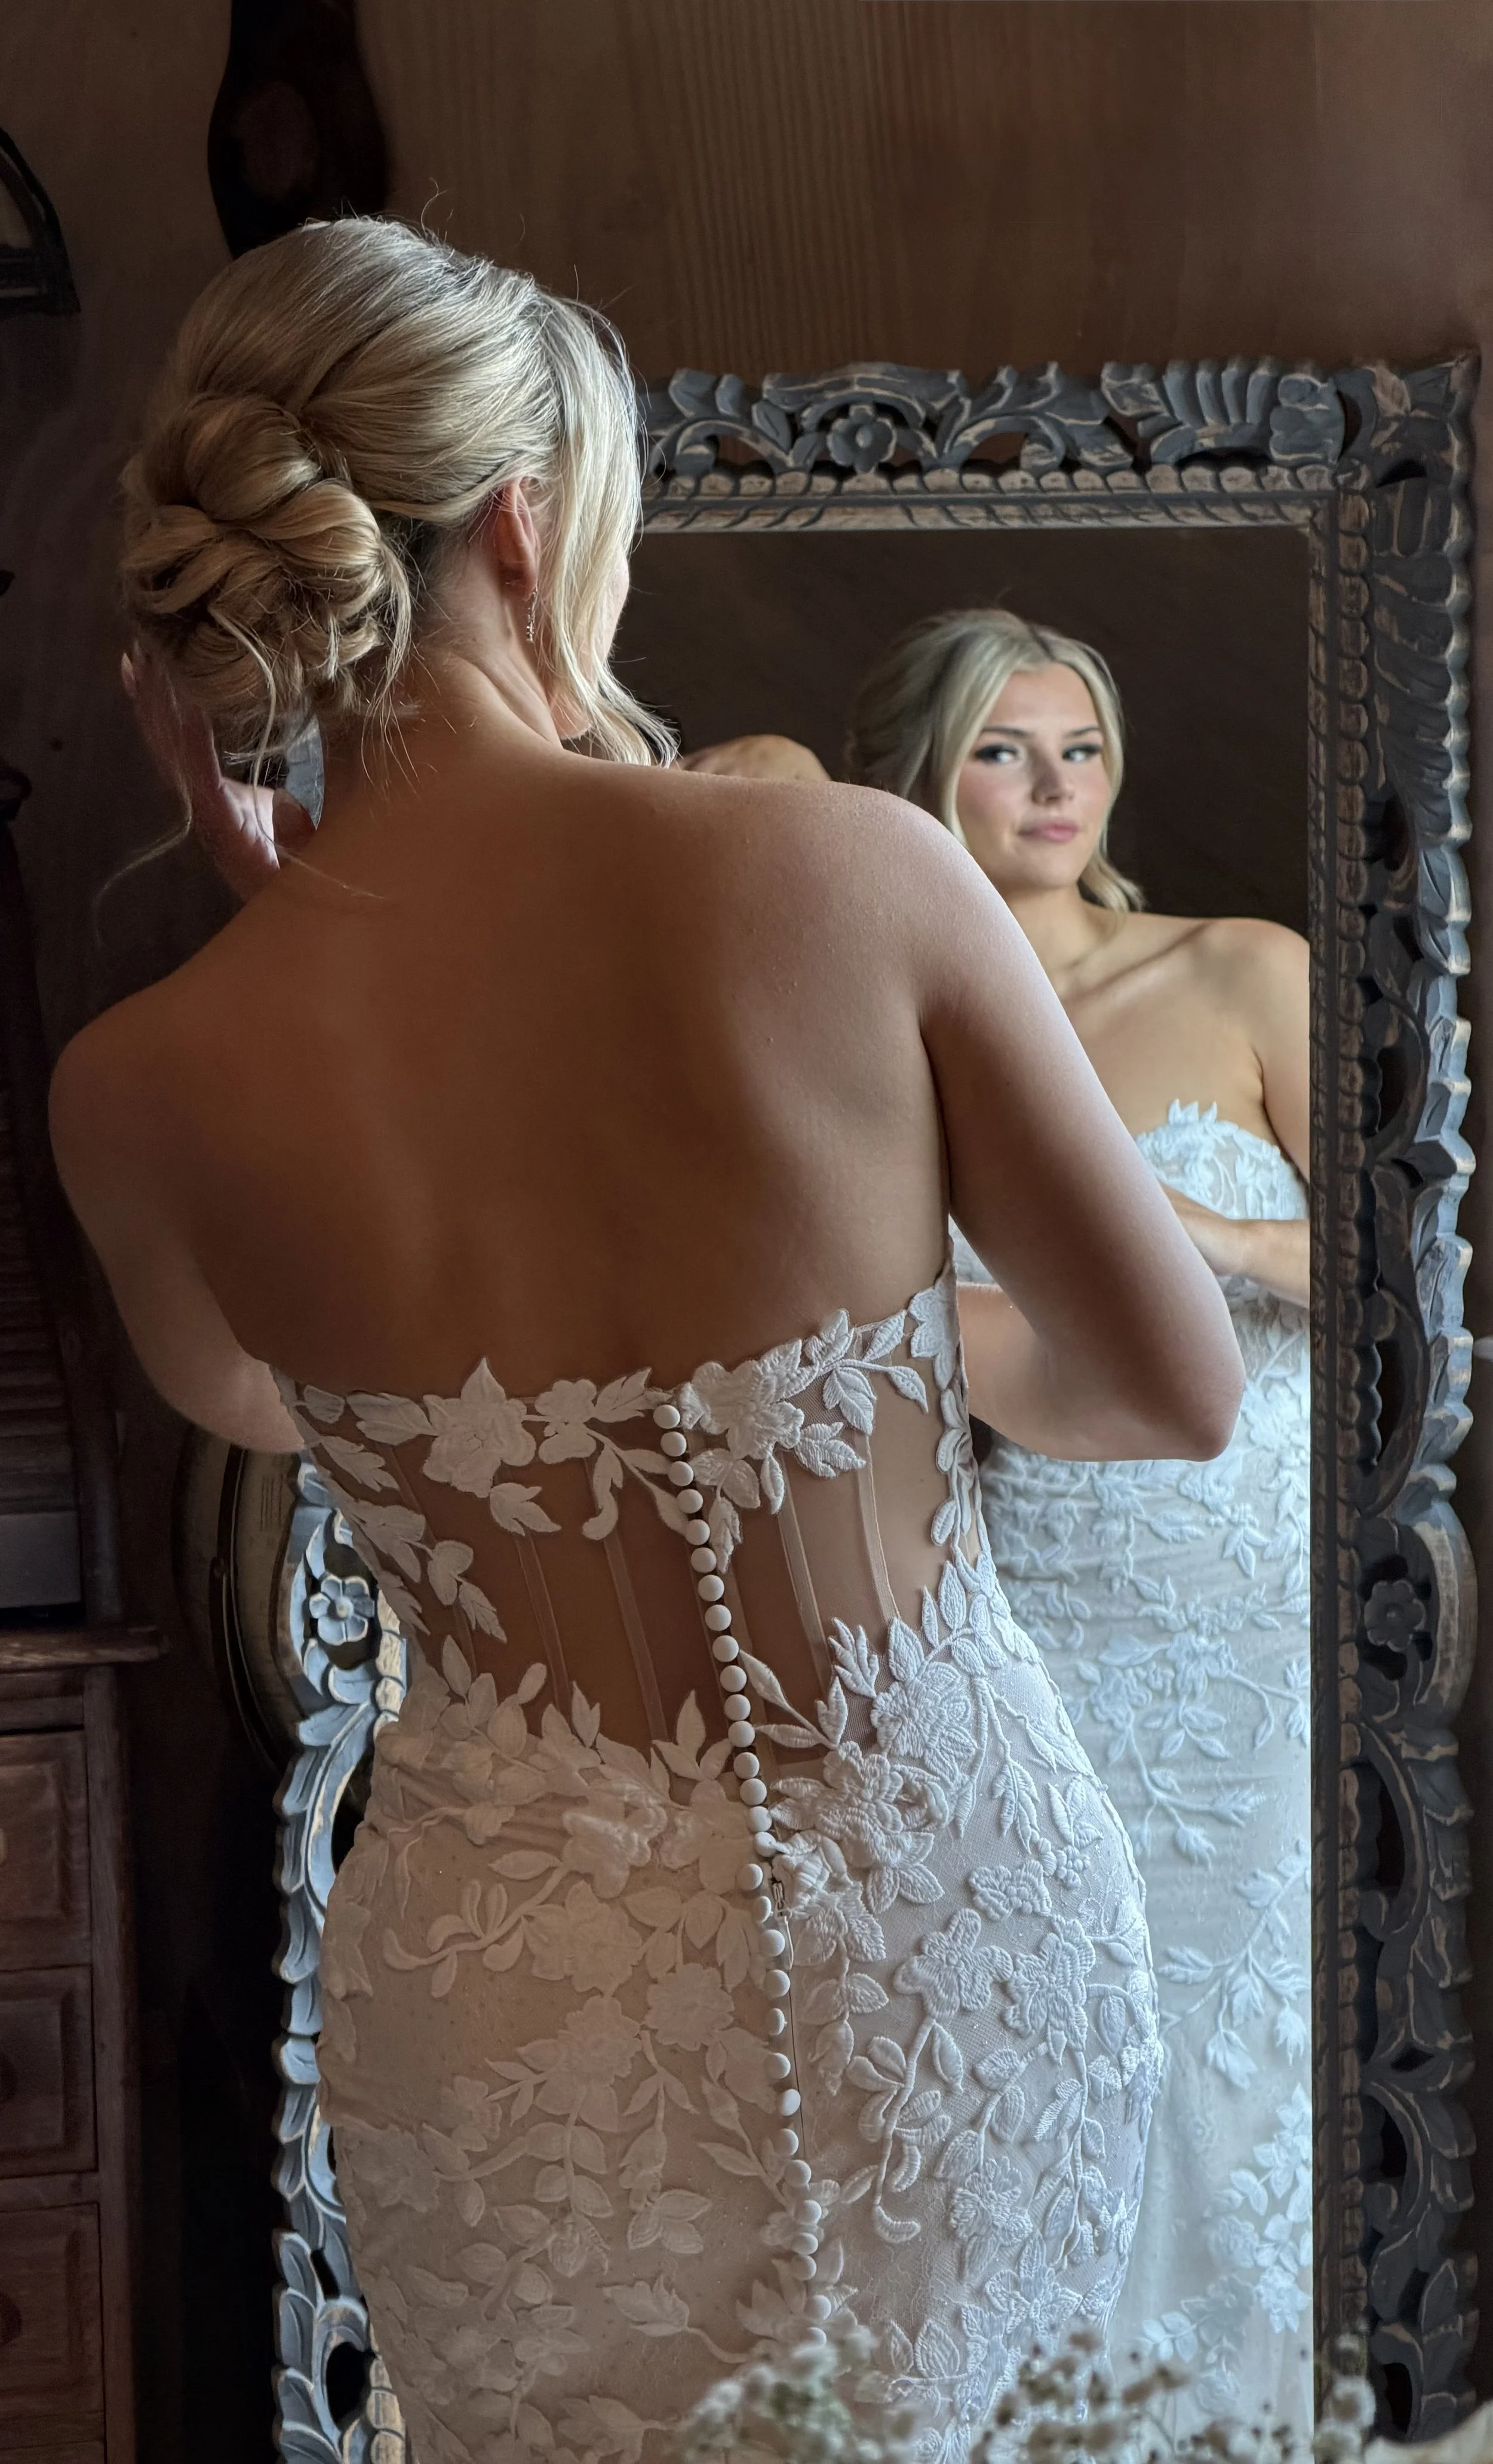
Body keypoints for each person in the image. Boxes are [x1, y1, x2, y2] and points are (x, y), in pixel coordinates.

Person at [49, 226, 1243, 2464]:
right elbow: (1171, 1387)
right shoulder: (853, 876)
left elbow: (251, 1394)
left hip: (502, 2014)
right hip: (927, 1937)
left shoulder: (143, 1073)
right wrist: (852, 1361)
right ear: (523, 525)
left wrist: (283, 920)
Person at [846, 607, 1312, 2432]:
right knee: (1058, 2021)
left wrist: (1185, 1232)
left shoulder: (1235, 967)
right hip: (1015, 1575)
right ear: (922, 770)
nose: (1051, 789)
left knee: (1231, 2015)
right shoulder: (890, 1016)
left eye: (1081, 750)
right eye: (999, 749)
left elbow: (1406, 1259)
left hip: (1235, 1578)